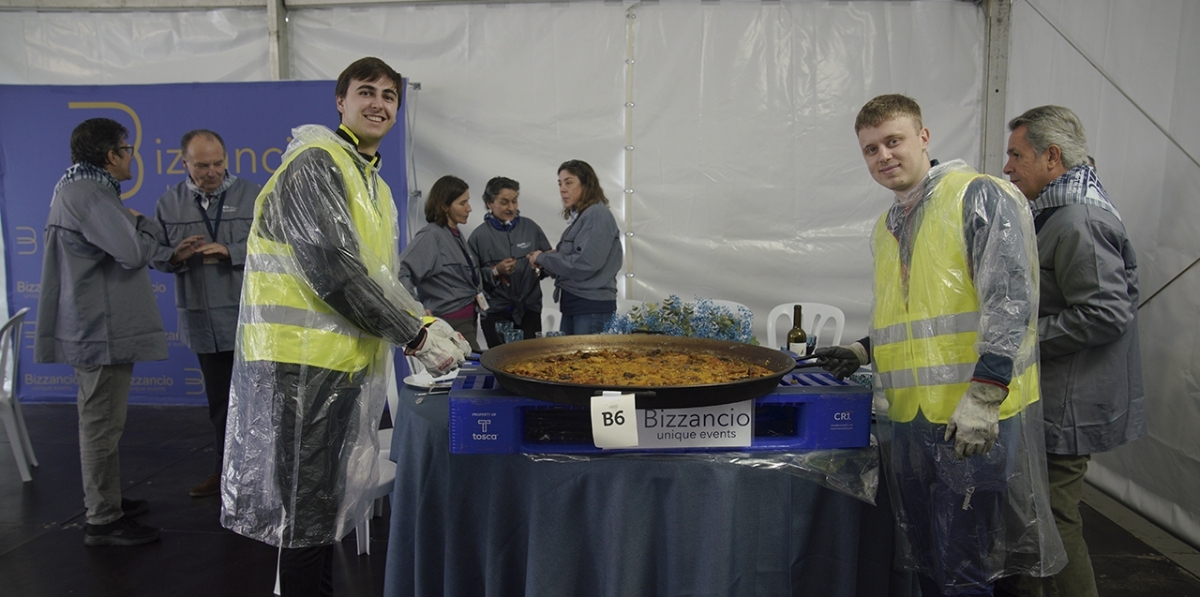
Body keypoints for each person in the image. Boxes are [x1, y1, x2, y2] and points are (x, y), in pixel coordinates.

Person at [220, 57, 470, 597]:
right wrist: (416, 336)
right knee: (306, 511)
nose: (378, 103)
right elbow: (333, 269)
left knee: (323, 509)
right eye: (366, 91)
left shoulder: (373, 185)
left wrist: (426, 320)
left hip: (343, 366)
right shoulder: (317, 163)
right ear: (341, 100)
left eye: (389, 96)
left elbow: (379, 276)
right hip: (300, 364)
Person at [813, 95, 1064, 596]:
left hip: (969, 420)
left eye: (893, 141)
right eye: (870, 149)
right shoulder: (889, 225)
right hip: (911, 420)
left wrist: (986, 396)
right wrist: (865, 350)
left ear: (923, 138)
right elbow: (917, 320)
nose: (883, 156)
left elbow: (1010, 301)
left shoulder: (978, 195)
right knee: (926, 560)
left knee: (966, 565)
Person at [998, 105, 1145, 597]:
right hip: (1054, 395)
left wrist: (1020, 339)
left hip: (1069, 402)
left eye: (1017, 155)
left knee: (1056, 518)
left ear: (1052, 158)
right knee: (1036, 516)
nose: (1008, 166)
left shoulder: (1080, 220)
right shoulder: (1057, 213)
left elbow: (1105, 312)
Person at [34, 118, 192, 546]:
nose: (131, 158)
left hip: (97, 327)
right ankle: (102, 518)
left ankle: (108, 500)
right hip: (98, 331)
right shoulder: (90, 194)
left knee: (104, 422)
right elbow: (132, 252)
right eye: (129, 150)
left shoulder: (80, 189)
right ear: (111, 156)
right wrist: (139, 223)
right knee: (101, 424)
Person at [151, 129, 260, 499]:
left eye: (218, 164)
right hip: (203, 320)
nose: (212, 172)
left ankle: (260, 473)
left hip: (249, 319)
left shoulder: (253, 195)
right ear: (184, 164)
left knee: (257, 400)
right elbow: (159, 257)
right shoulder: (169, 203)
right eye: (202, 166)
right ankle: (224, 472)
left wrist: (232, 251)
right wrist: (175, 256)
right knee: (219, 405)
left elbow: (275, 246)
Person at [526, 160, 623, 335]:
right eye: (560, 183)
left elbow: (585, 263)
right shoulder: (584, 216)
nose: (562, 189)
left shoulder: (597, 214)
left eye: (569, 182)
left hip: (590, 306)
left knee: (586, 362)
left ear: (586, 185)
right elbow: (577, 255)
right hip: (576, 303)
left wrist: (543, 258)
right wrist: (550, 260)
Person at [399, 175, 485, 352]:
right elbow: (401, 271)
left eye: (467, 202)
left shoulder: (453, 233)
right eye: (462, 203)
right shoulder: (431, 236)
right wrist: (416, 308)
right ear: (444, 206)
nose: (469, 208)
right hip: (450, 323)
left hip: (467, 320)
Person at [467, 176, 552, 347]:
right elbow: (471, 279)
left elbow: (550, 263)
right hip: (496, 313)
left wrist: (540, 264)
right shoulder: (478, 236)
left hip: (529, 310)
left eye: (514, 201)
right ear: (490, 203)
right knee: (501, 364)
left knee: (531, 364)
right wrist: (495, 271)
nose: (511, 207)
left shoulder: (531, 228)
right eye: (504, 202)